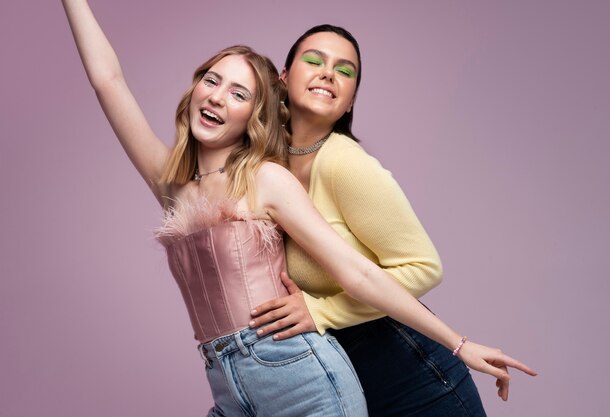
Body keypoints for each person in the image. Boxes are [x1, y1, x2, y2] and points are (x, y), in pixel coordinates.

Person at [62, 2, 535, 415]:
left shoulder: (269, 179)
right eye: (212, 80)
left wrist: (460, 343)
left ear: (255, 113)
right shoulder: (173, 184)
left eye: (239, 93)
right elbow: (108, 81)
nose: (218, 97)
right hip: (230, 385)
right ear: (194, 90)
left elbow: (361, 274)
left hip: (305, 377)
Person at [250, 24, 535, 416]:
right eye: (314, 60)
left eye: (345, 71)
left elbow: (424, 268)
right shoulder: (268, 166)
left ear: (350, 101)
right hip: (347, 383)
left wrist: (323, 310)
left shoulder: (344, 164)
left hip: (417, 382)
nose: (328, 73)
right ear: (283, 79)